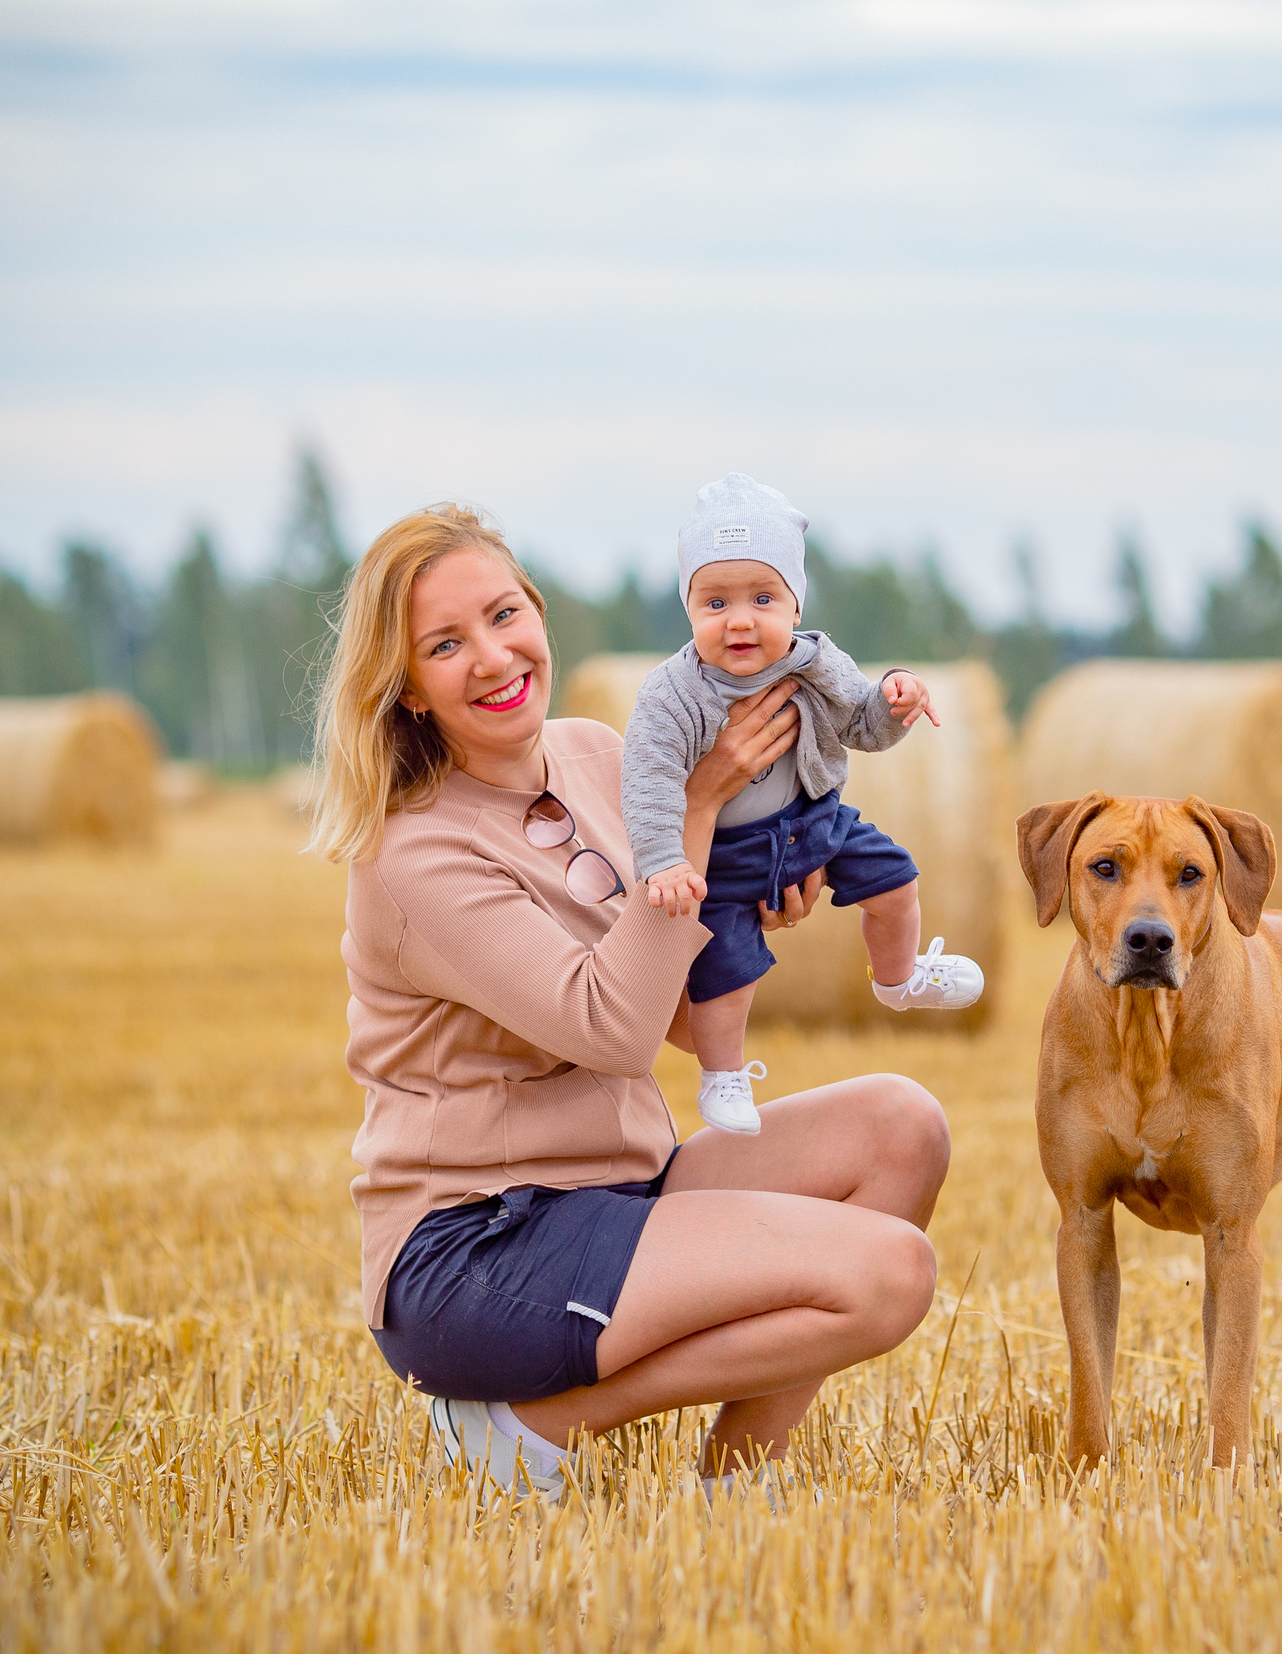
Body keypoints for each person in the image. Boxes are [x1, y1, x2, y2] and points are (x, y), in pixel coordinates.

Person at [308, 503, 949, 1501]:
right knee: (888, 1276)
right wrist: (696, 815)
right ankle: (531, 1423)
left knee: (903, 1126)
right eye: (444, 644)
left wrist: (747, 915)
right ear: (408, 692)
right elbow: (608, 1029)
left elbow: (683, 1024)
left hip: (623, 1193)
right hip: (481, 1248)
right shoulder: (414, 854)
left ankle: (737, 1483)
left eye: (504, 613)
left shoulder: (601, 757)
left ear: (539, 614)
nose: (491, 656)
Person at [622, 473, 984, 1132]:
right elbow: (646, 782)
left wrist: (895, 699)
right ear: (690, 609)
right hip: (725, 859)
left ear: (795, 604)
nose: (739, 619)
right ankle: (723, 1077)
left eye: (763, 597)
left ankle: (898, 979)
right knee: (728, 973)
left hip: (815, 823)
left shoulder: (816, 663)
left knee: (897, 879)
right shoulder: (669, 694)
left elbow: (863, 725)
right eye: (714, 602)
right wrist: (663, 864)